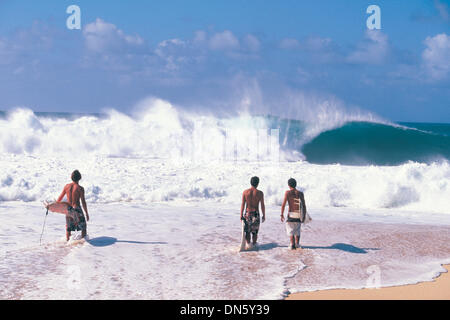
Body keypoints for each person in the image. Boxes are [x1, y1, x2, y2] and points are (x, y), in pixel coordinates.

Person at [57, 170, 89, 241]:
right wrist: (86, 213)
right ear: (80, 178)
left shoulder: (66, 186)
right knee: (83, 227)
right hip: (76, 208)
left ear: (71, 177)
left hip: (68, 209)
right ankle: (84, 243)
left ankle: (67, 242)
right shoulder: (80, 188)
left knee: (68, 228)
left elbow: (59, 198)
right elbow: (83, 202)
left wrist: (54, 205)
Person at [281, 178, 307, 250]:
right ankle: (297, 244)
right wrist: (304, 215)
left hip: (291, 214)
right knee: (297, 230)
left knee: (290, 230)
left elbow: (283, 204)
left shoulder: (288, 193)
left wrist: (282, 214)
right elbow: (304, 205)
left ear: (289, 185)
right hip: (298, 214)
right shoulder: (300, 193)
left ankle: (292, 244)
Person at [240, 176, 266, 250]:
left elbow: (243, 204)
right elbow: (262, 205)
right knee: (255, 232)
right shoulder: (260, 193)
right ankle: (254, 245)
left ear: (250, 182)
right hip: (255, 214)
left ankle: (248, 245)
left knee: (247, 231)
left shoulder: (245, 192)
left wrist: (241, 215)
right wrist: (264, 215)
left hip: (247, 213)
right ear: (258, 183)